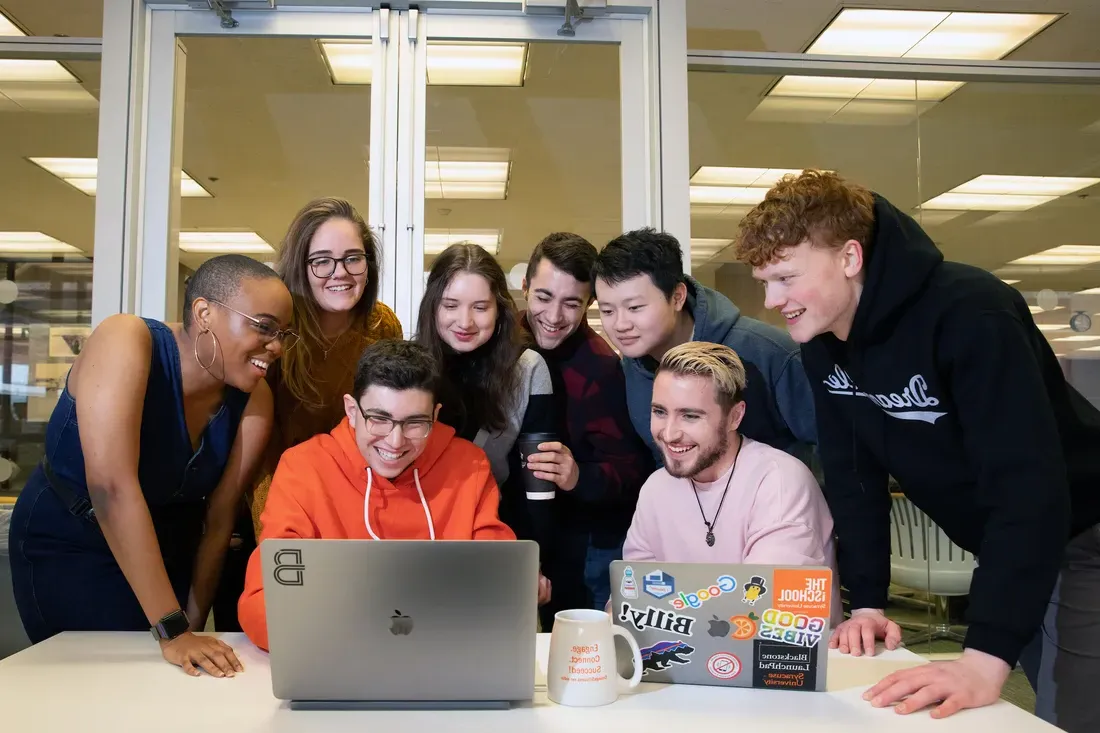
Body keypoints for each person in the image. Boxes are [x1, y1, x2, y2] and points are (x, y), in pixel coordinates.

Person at [736, 169, 1100, 730]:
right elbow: (854, 476)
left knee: (1069, 713)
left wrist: (982, 656)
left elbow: (1026, 486)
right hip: (1013, 544)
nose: (771, 300)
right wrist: (870, 603)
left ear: (850, 258)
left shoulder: (970, 310)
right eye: (764, 282)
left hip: (1085, 534)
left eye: (784, 278)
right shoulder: (825, 344)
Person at [8, 254, 295, 678]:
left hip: (166, 552)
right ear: (204, 312)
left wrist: (191, 623)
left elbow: (218, 523)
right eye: (264, 326)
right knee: (98, 684)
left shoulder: (255, 399)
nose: (277, 346)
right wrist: (174, 629)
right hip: (73, 545)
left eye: (284, 334)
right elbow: (111, 488)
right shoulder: (125, 338)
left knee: (166, 683)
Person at [239, 340, 518, 651]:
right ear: (351, 410)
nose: (395, 441)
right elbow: (263, 603)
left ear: (436, 416)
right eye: (379, 419)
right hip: (338, 655)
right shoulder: (303, 467)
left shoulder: (469, 465)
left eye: (415, 423)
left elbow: (499, 581)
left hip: (442, 655)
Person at [215, 198, 402, 632]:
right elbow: (258, 444)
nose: (340, 273)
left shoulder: (381, 327)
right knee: (270, 637)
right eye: (322, 261)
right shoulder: (275, 328)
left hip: (348, 511)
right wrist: (278, 541)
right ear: (301, 266)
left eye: (353, 258)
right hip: (268, 502)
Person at [622, 342, 841, 623]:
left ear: (735, 416)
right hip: (689, 655)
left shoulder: (780, 481)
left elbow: (763, 608)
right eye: (660, 412)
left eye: (690, 416)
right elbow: (631, 596)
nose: (669, 433)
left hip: (784, 661)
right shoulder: (656, 488)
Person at [592, 228, 817, 469]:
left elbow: (833, 450)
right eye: (607, 311)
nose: (620, 325)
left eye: (635, 307)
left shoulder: (768, 352)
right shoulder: (631, 368)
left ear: (677, 297)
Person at [415, 243, 555, 620]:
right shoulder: (411, 367)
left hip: (496, 537)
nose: (465, 321)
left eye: (480, 307)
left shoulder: (528, 369)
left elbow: (536, 486)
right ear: (432, 306)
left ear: (500, 308)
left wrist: (532, 561)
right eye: (450, 305)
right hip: (417, 543)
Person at [519, 232, 652, 613]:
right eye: (543, 297)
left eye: (571, 303)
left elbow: (633, 472)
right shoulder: (503, 343)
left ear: (589, 304)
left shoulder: (604, 368)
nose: (554, 316)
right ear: (525, 286)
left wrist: (578, 475)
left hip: (586, 544)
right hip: (517, 531)